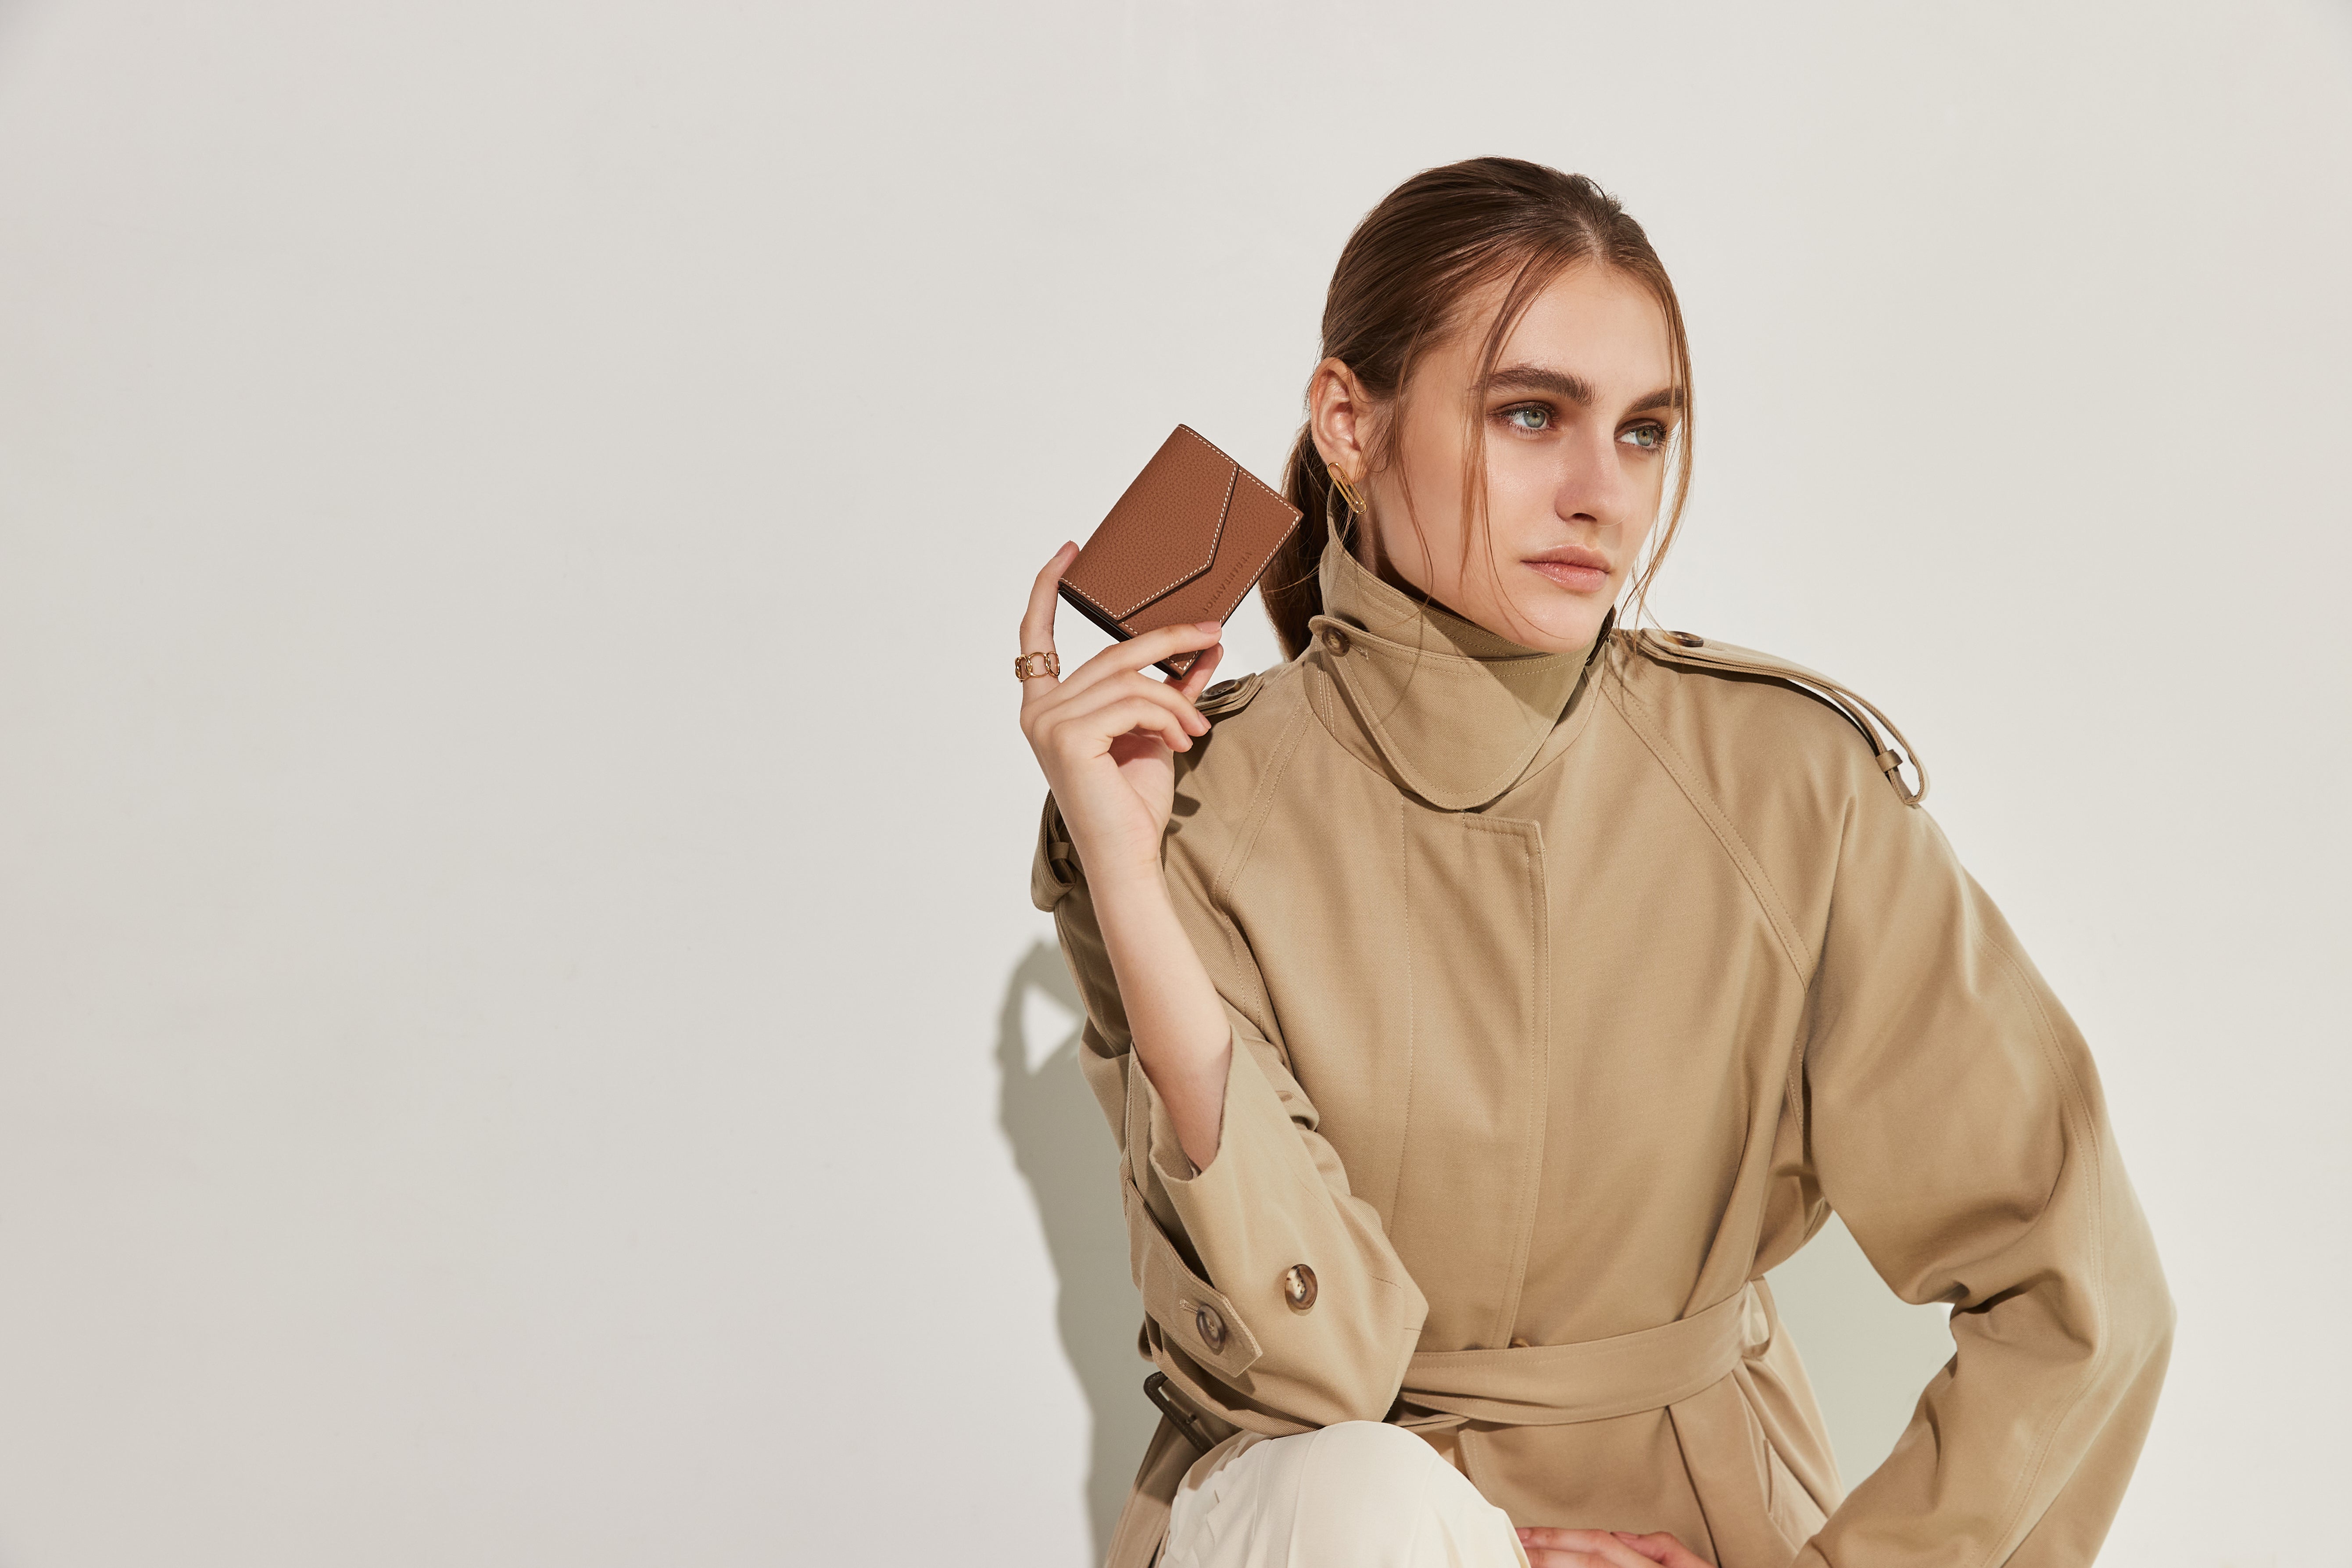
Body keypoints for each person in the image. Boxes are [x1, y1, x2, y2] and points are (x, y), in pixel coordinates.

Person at [1015, 157, 2171, 1568]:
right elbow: (1304, 1373)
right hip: (1321, 1530)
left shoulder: (1785, 786)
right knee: (1356, 1499)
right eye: (1528, 415)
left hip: (1695, 1523)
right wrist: (1129, 877)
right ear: (1347, 425)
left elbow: (2080, 1293)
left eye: (1641, 433)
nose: (1597, 494)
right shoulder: (1192, 799)